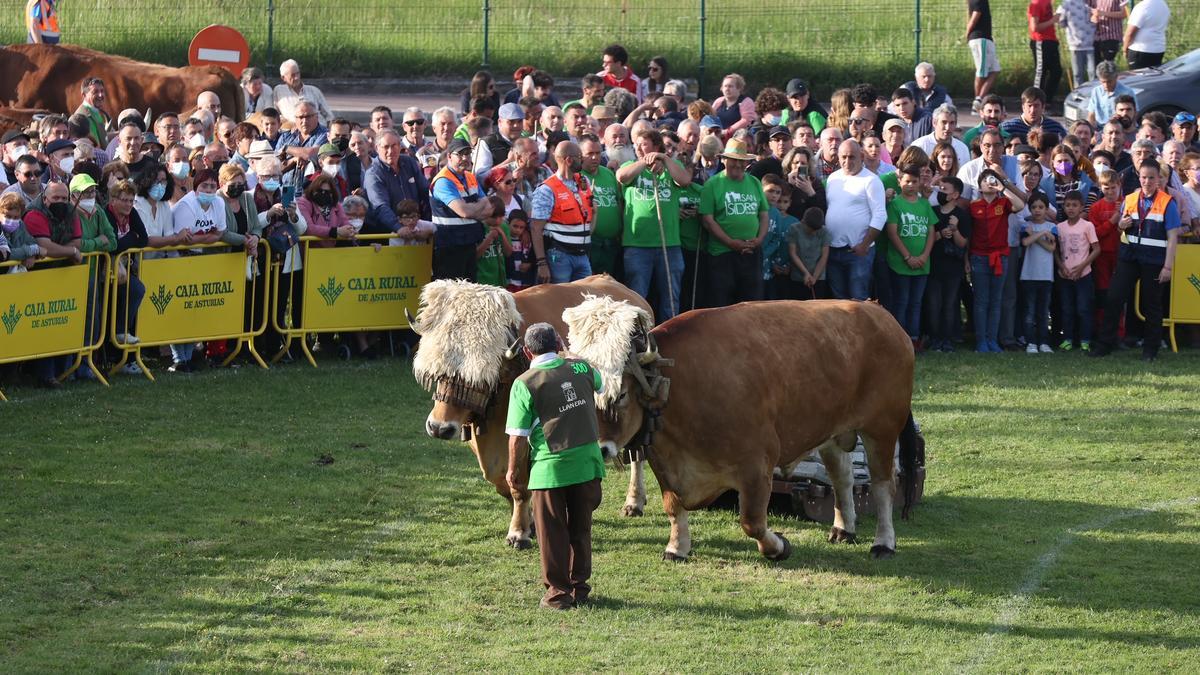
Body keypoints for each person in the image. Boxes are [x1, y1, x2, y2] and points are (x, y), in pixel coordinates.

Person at [505, 322, 605, 611]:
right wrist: (572, 356)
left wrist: (514, 471)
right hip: (588, 466)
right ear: (559, 342)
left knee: (552, 534)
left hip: (550, 471)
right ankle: (580, 589)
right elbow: (601, 383)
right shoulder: (582, 369)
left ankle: (558, 595)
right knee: (580, 529)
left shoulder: (524, 383)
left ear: (526, 351)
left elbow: (517, 438)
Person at [1091, 160, 1180, 361]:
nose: (1147, 181)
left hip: (1154, 261)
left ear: (1158, 179)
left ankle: (1150, 350)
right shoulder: (1129, 199)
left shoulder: (1167, 202)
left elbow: (1173, 236)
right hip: (1129, 257)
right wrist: (1121, 225)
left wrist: (1168, 266)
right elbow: (1122, 228)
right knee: (1114, 298)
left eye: (1151, 177)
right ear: (1138, 178)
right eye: (1144, 177)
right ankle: (1105, 344)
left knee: (1152, 305)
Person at [22, 181, 82, 387]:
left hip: (62, 275)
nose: (61, 202)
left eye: (64, 198)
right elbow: (44, 246)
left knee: (61, 321)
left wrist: (66, 250)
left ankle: (64, 371)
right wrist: (71, 253)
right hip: (36, 277)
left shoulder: (71, 212)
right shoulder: (33, 214)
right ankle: (44, 375)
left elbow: (77, 241)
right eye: (56, 198)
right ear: (45, 198)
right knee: (44, 323)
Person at [699, 138, 769, 307]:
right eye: (733, 160)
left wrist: (759, 239)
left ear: (747, 163)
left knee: (752, 303)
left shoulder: (754, 182)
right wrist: (731, 243)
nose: (737, 165)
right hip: (722, 254)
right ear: (724, 160)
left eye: (741, 161)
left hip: (751, 252)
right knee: (722, 303)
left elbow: (764, 214)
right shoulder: (712, 184)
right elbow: (707, 220)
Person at [969, 169, 1028, 352]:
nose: (990, 183)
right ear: (979, 186)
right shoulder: (973, 206)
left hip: (1000, 257)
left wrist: (1003, 187)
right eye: (986, 180)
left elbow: (1019, 205)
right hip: (979, 257)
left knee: (996, 300)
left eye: (992, 179)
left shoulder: (1003, 203)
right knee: (981, 301)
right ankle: (981, 341)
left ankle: (992, 340)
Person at [824, 139, 886, 300]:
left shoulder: (871, 180)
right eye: (843, 157)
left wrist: (864, 245)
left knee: (859, 300)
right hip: (833, 249)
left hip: (858, 251)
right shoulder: (833, 179)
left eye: (852, 157)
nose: (847, 161)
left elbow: (880, 215)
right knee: (838, 300)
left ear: (862, 156)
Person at [885, 166, 938, 346]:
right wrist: (908, 257)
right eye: (907, 181)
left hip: (923, 263)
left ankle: (913, 339)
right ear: (899, 182)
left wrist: (924, 256)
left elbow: (931, 232)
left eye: (914, 182)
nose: (911, 185)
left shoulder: (924, 204)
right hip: (900, 263)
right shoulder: (895, 204)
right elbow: (892, 233)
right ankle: (899, 341)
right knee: (902, 301)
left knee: (916, 303)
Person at [530, 141, 594, 284]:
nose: (583, 160)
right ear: (569, 160)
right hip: (559, 256)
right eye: (580, 156)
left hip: (583, 255)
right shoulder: (547, 189)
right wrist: (541, 263)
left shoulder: (584, 182)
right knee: (559, 301)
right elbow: (536, 228)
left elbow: (590, 217)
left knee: (586, 299)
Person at [429, 138, 490, 280]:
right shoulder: (443, 181)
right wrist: (475, 209)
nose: (465, 158)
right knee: (451, 296)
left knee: (469, 293)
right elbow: (464, 211)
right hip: (449, 247)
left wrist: (472, 210)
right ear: (449, 156)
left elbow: (488, 209)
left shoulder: (470, 177)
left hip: (469, 243)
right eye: (460, 154)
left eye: (468, 153)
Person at [927, 176, 972, 351]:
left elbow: (962, 243)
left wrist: (954, 230)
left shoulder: (961, 215)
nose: (941, 192)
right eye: (940, 189)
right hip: (934, 265)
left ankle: (947, 340)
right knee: (933, 304)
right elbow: (928, 239)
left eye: (944, 189)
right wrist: (940, 234)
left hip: (953, 268)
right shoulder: (933, 211)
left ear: (955, 194)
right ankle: (935, 338)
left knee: (949, 304)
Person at [105, 179, 147, 357]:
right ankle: (114, 339)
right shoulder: (106, 214)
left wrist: (126, 240)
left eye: (131, 200)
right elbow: (112, 245)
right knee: (134, 290)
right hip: (106, 269)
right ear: (113, 200)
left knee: (136, 289)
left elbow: (144, 239)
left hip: (124, 268)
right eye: (125, 200)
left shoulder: (133, 214)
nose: (129, 204)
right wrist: (131, 237)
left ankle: (121, 332)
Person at [1054, 190, 1101, 350]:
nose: (1071, 208)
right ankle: (1067, 338)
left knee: (1083, 308)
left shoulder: (1087, 226)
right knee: (1067, 308)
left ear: (1081, 207)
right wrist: (1061, 267)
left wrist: (1081, 267)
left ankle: (1085, 340)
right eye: (1067, 205)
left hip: (1083, 275)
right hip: (1065, 275)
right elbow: (1055, 250)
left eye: (1074, 205)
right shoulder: (1059, 227)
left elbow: (1096, 249)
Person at [1019, 193, 1058, 352]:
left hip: (1046, 276)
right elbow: (1025, 242)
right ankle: (1031, 342)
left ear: (1047, 209)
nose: (1037, 210)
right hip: (1028, 275)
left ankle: (1044, 342)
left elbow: (1051, 248)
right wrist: (1041, 234)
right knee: (1029, 311)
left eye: (1041, 207)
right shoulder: (1025, 226)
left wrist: (1036, 235)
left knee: (1043, 311)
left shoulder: (1052, 227)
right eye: (1034, 207)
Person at [579, 136, 621, 278]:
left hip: (611, 243)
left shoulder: (608, 174)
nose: (594, 157)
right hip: (591, 242)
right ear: (580, 155)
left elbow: (618, 202)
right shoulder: (577, 177)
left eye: (598, 153)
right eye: (589, 154)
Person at [297, 173, 350, 248]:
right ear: (312, 189)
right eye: (319, 190)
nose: (323, 193)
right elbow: (308, 228)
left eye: (327, 192)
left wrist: (349, 230)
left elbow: (345, 222)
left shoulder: (336, 205)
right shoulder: (303, 203)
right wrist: (335, 231)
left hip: (331, 252)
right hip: (308, 253)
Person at [273, 60, 333, 125]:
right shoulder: (279, 91)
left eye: (298, 73)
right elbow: (273, 114)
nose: (296, 77)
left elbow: (329, 116)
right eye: (292, 75)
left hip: (319, 129)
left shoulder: (314, 90)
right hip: (293, 131)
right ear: (283, 78)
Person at [966, 0, 1000, 111]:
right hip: (980, 38)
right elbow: (976, 14)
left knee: (995, 69)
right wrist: (968, 33)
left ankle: (979, 98)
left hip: (986, 38)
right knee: (982, 71)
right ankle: (977, 103)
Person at [1028, 0, 1063, 107]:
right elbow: (1035, 27)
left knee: (1056, 71)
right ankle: (1035, 101)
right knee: (1041, 71)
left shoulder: (1048, 2)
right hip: (1041, 41)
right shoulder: (1037, 3)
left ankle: (1046, 100)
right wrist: (1052, 20)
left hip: (1051, 41)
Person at [1001, 87, 1069, 141]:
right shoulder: (1008, 128)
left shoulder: (1056, 129)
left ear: (1043, 107)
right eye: (1029, 106)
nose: (1033, 110)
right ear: (1023, 107)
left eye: (1036, 106)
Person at [1057, 0, 1097, 90]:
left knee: (1092, 73)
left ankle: (1092, 95)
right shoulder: (1066, 3)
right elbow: (1061, 21)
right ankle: (1078, 95)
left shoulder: (1089, 2)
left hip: (1090, 43)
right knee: (1078, 73)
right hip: (1075, 44)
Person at [475, 196, 512, 288]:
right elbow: (475, 255)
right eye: (493, 217)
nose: (497, 221)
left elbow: (508, 253)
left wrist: (502, 234)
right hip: (482, 280)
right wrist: (489, 238)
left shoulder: (504, 227)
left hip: (500, 280)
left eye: (501, 217)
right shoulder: (477, 227)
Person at [1086, 62, 1136, 128]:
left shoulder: (1127, 92)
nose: (1106, 85)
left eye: (1109, 81)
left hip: (1121, 129)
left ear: (1116, 77)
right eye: (1103, 82)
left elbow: (1134, 115)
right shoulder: (1096, 91)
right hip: (1101, 129)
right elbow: (1091, 116)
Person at [1123, 0, 1169, 69]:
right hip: (1158, 49)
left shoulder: (1143, 6)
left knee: (1138, 79)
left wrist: (1125, 49)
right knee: (1153, 77)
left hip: (1140, 50)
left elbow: (1130, 33)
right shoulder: (1163, 5)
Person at [710, 74, 755, 140]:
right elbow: (710, 117)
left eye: (730, 86)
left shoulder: (746, 101)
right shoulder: (719, 101)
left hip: (738, 140)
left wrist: (727, 132)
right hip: (717, 139)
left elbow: (746, 120)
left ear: (739, 88)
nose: (727, 89)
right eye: (725, 86)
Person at [505, 210, 535, 292]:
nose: (518, 230)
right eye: (515, 226)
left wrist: (530, 264)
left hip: (525, 282)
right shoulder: (504, 239)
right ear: (508, 223)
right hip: (509, 282)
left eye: (522, 228)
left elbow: (533, 256)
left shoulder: (528, 239)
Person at [74, 78, 109, 148]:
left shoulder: (98, 111)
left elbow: (103, 137)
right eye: (95, 92)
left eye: (102, 91)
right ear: (84, 95)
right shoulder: (82, 117)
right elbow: (96, 145)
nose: (100, 95)